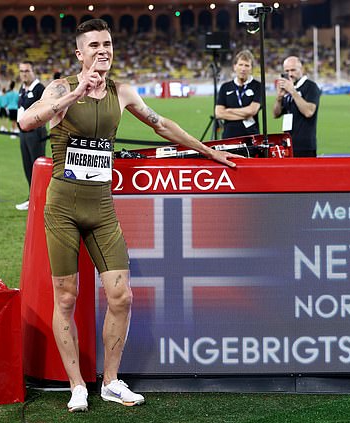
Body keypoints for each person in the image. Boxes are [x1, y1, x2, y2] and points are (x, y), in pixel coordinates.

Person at [18, 18, 241, 413]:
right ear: (79, 53)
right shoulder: (61, 87)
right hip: (63, 208)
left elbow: (162, 126)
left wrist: (209, 151)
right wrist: (75, 94)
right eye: (94, 45)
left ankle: (111, 382)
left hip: (101, 208)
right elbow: (27, 121)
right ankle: (76, 387)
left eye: (107, 43)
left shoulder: (123, 92)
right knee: (66, 297)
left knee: (121, 296)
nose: (102, 50)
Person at [273, 56, 321, 157]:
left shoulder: (311, 86)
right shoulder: (287, 88)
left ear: (301, 69)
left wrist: (292, 91)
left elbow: (308, 112)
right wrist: (279, 97)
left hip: (304, 145)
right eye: (287, 71)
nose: (290, 74)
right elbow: (276, 114)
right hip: (287, 143)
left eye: (293, 70)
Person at [16, 61, 47, 210]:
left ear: (33, 71)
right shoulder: (22, 88)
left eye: (27, 71)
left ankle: (40, 198)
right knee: (27, 166)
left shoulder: (39, 89)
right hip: (24, 133)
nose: (24, 74)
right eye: (21, 71)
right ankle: (32, 197)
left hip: (36, 132)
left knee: (37, 166)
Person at [214, 49, 262, 139]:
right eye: (240, 65)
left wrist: (229, 111)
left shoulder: (258, 86)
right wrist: (245, 115)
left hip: (251, 137)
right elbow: (219, 113)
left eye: (247, 65)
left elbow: (252, 111)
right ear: (234, 66)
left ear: (251, 68)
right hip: (229, 137)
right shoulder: (225, 87)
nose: (243, 69)